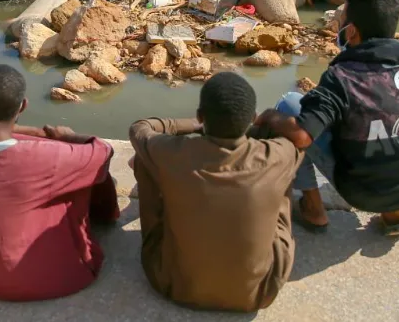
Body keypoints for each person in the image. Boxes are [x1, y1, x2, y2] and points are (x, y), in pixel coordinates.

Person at [254, 0, 399, 237]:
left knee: (290, 104)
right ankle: (396, 216)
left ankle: (313, 209)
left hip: (363, 192)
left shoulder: (342, 76)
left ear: (351, 31)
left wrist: (269, 117)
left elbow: (301, 136)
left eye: (341, 21)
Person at [0, 64, 120, 302]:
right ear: (23, 106)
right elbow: (102, 150)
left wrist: (23, 130)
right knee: (87, 176)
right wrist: (61, 136)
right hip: (40, 282)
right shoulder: (47, 157)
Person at [128, 72, 303, 312]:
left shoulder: (172, 153)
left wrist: (195, 125)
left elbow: (141, 127)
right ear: (251, 118)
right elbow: (299, 139)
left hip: (173, 285)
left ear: (202, 116)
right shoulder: (278, 155)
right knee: (281, 178)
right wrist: (269, 118)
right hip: (259, 294)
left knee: (143, 159)